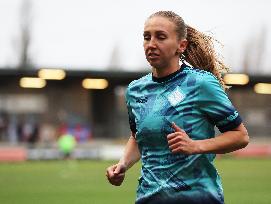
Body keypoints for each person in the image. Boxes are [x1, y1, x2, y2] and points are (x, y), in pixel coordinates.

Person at [106, 11, 249, 204]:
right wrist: (123, 164)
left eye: (161, 37)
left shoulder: (200, 83)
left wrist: (195, 146)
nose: (151, 44)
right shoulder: (135, 90)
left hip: (198, 198)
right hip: (148, 198)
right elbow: (137, 137)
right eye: (147, 37)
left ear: (181, 45)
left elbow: (240, 136)